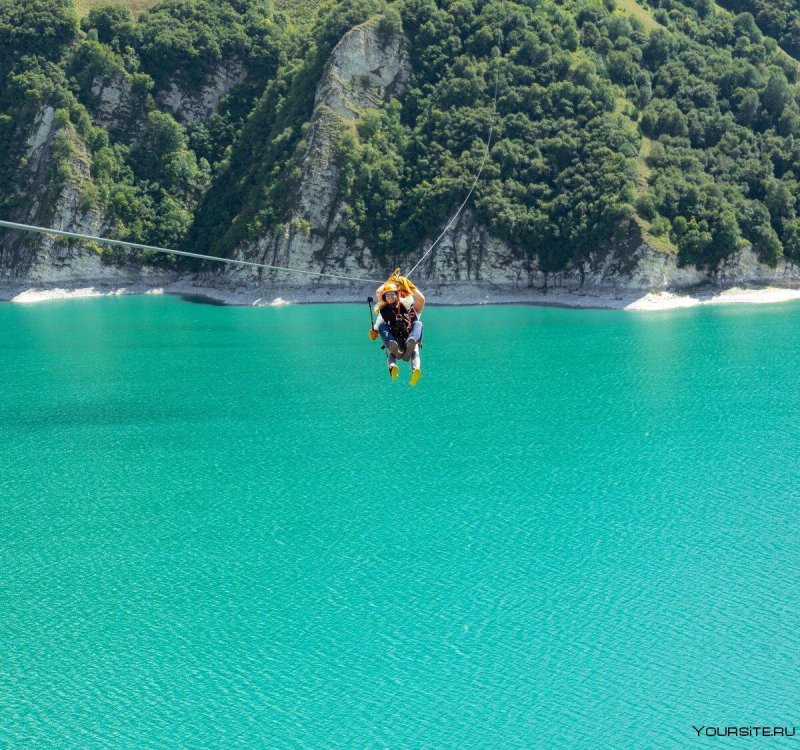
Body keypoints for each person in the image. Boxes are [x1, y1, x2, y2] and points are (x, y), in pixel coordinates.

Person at [369, 275, 425, 385]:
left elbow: (419, 299)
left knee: (418, 324)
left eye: (393, 294)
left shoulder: (410, 308)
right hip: (395, 343)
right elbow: (379, 293)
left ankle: (413, 366)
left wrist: (409, 285)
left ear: (398, 295)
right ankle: (394, 365)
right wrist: (374, 330)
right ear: (386, 297)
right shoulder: (384, 312)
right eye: (388, 295)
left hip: (408, 340)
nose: (390, 297)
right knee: (382, 328)